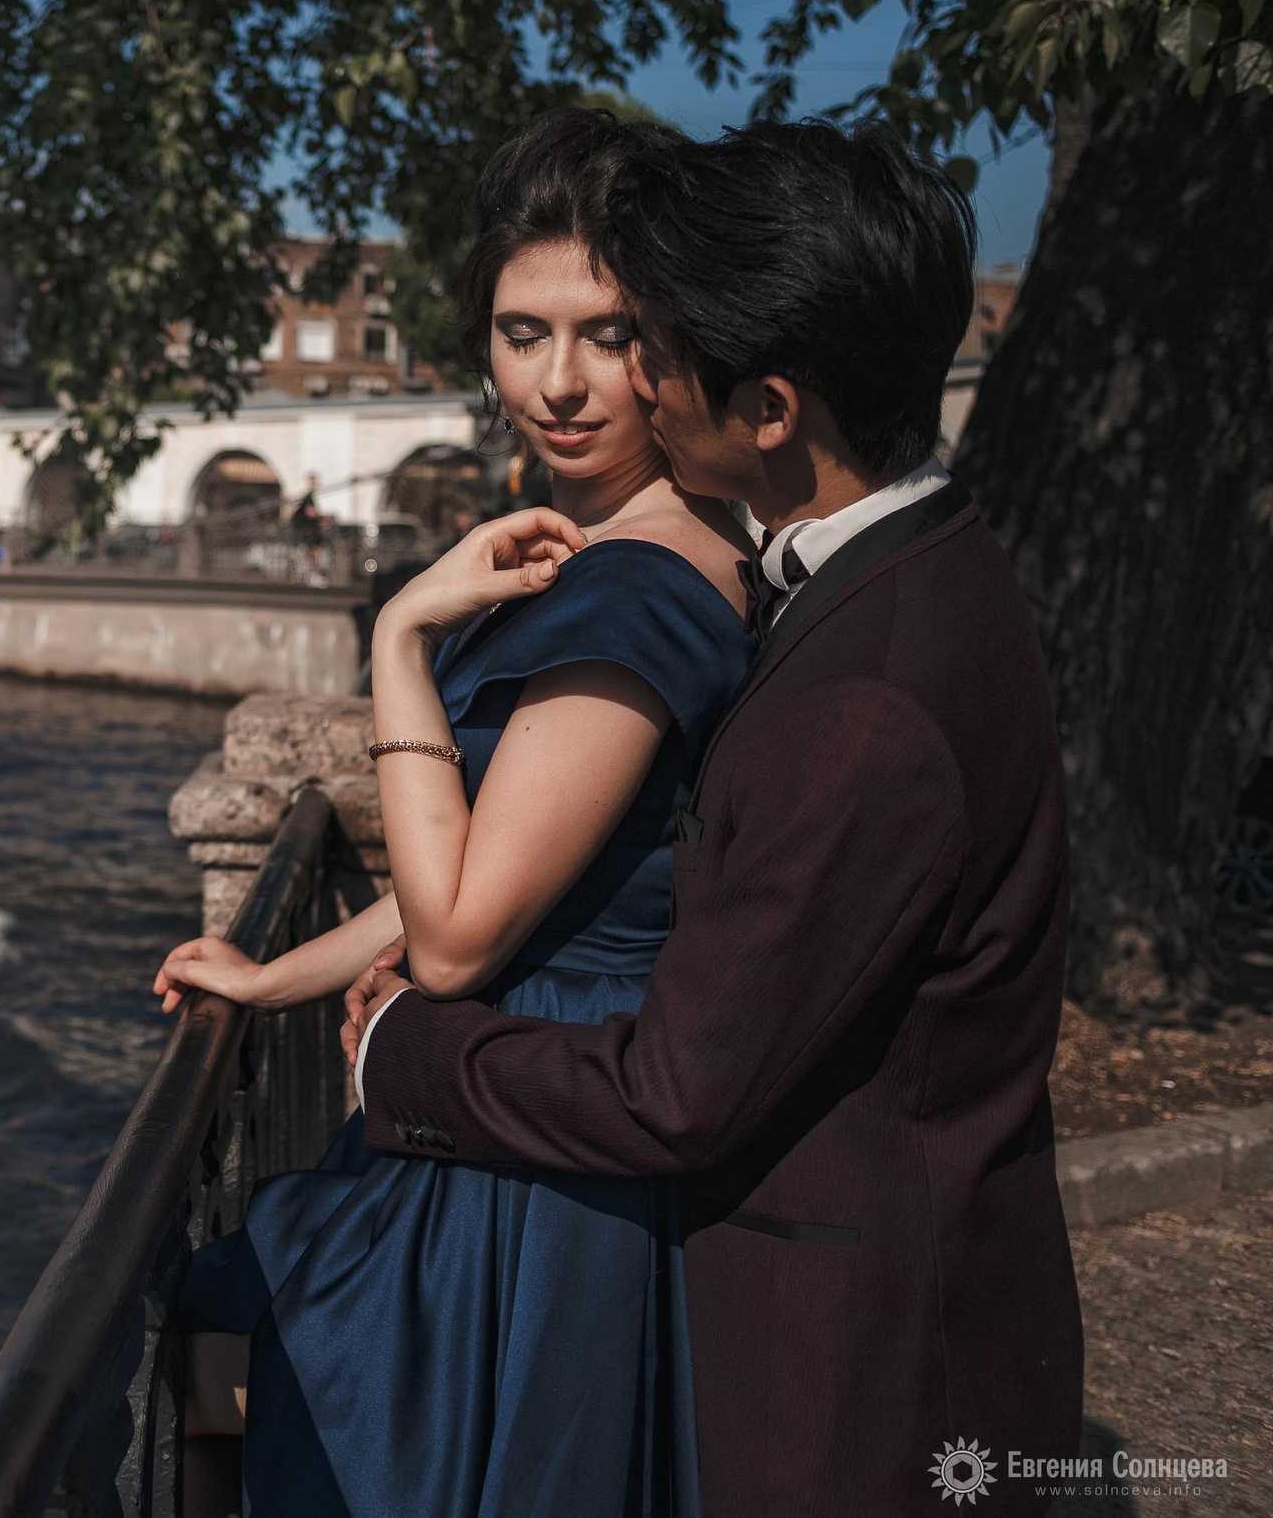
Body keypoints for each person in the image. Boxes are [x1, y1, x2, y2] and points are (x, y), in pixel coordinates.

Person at [346, 119, 1080, 1513]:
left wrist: (403, 1052)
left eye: (656, 347)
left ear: (772, 408)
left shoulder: (861, 700)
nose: (629, 385)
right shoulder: (926, 572)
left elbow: (673, 1095)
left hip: (852, 1379)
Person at [153, 107, 754, 1514]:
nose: (559, 382)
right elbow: (483, 858)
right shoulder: (607, 552)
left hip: (538, 1130)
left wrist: (399, 640)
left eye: (608, 333)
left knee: (356, 1424)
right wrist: (274, 977)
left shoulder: (643, 583)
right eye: (520, 332)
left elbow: (461, 929)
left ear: (676, 339)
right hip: (501, 1088)